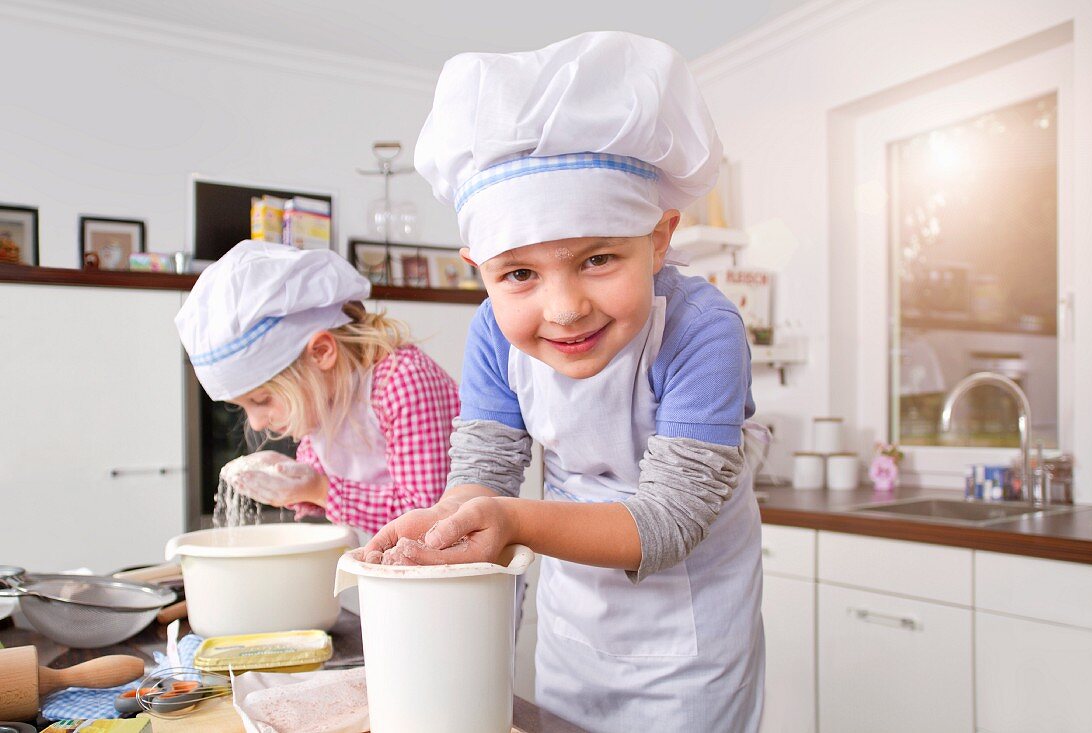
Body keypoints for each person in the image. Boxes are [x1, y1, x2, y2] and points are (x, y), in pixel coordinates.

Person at [363, 31, 766, 732]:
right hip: (574, 633)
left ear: (660, 238)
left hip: (691, 650)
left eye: (599, 258)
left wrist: (512, 520)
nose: (565, 306)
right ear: (477, 267)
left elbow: (667, 520)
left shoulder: (704, 329)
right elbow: (484, 473)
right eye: (518, 273)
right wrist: (447, 521)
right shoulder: (493, 330)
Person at [175, 240, 460, 535]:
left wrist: (318, 489)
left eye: (262, 400)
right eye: (243, 406)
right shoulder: (321, 400)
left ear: (321, 352)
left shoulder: (402, 381)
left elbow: (428, 517)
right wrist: (296, 484)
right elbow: (326, 492)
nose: (257, 422)